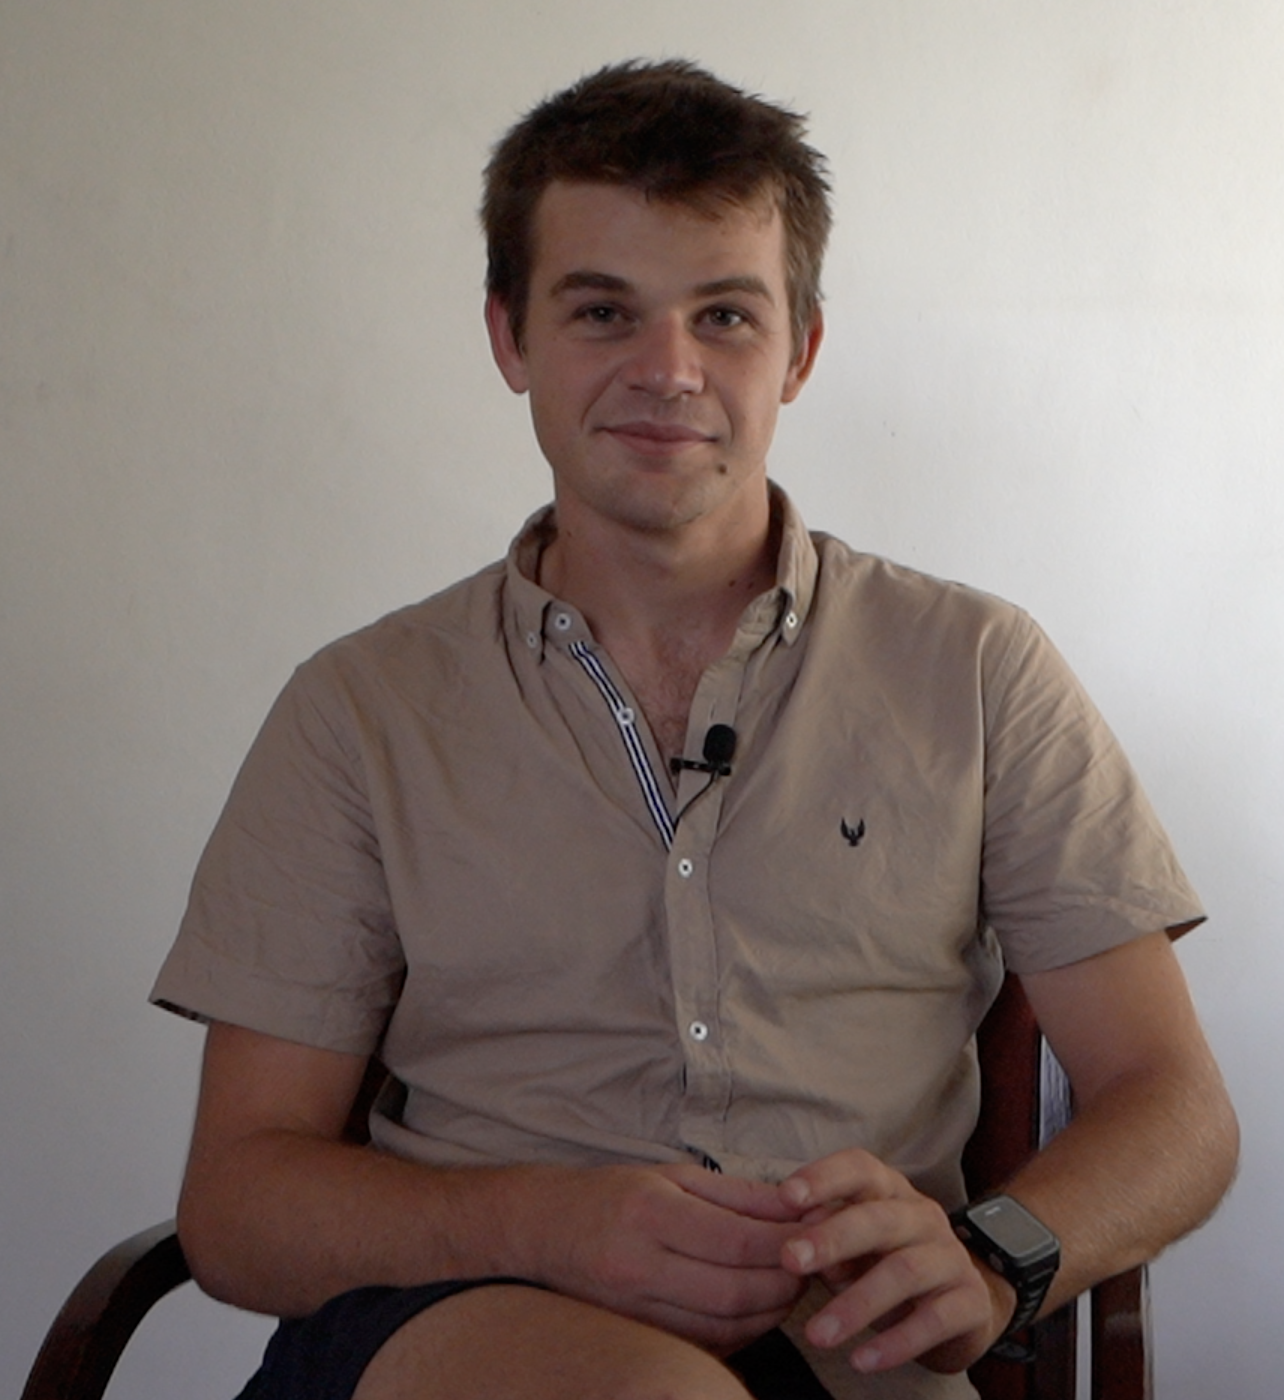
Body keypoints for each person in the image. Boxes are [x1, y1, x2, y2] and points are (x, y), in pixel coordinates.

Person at [152, 59, 1237, 1400]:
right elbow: (239, 1204)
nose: (667, 371)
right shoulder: (359, 711)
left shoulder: (975, 667)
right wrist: (546, 1225)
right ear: (509, 338)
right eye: (602, 311)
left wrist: (993, 1257)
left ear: (802, 349)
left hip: (858, 1359)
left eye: (724, 315)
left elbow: (1175, 1105)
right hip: (461, 1327)